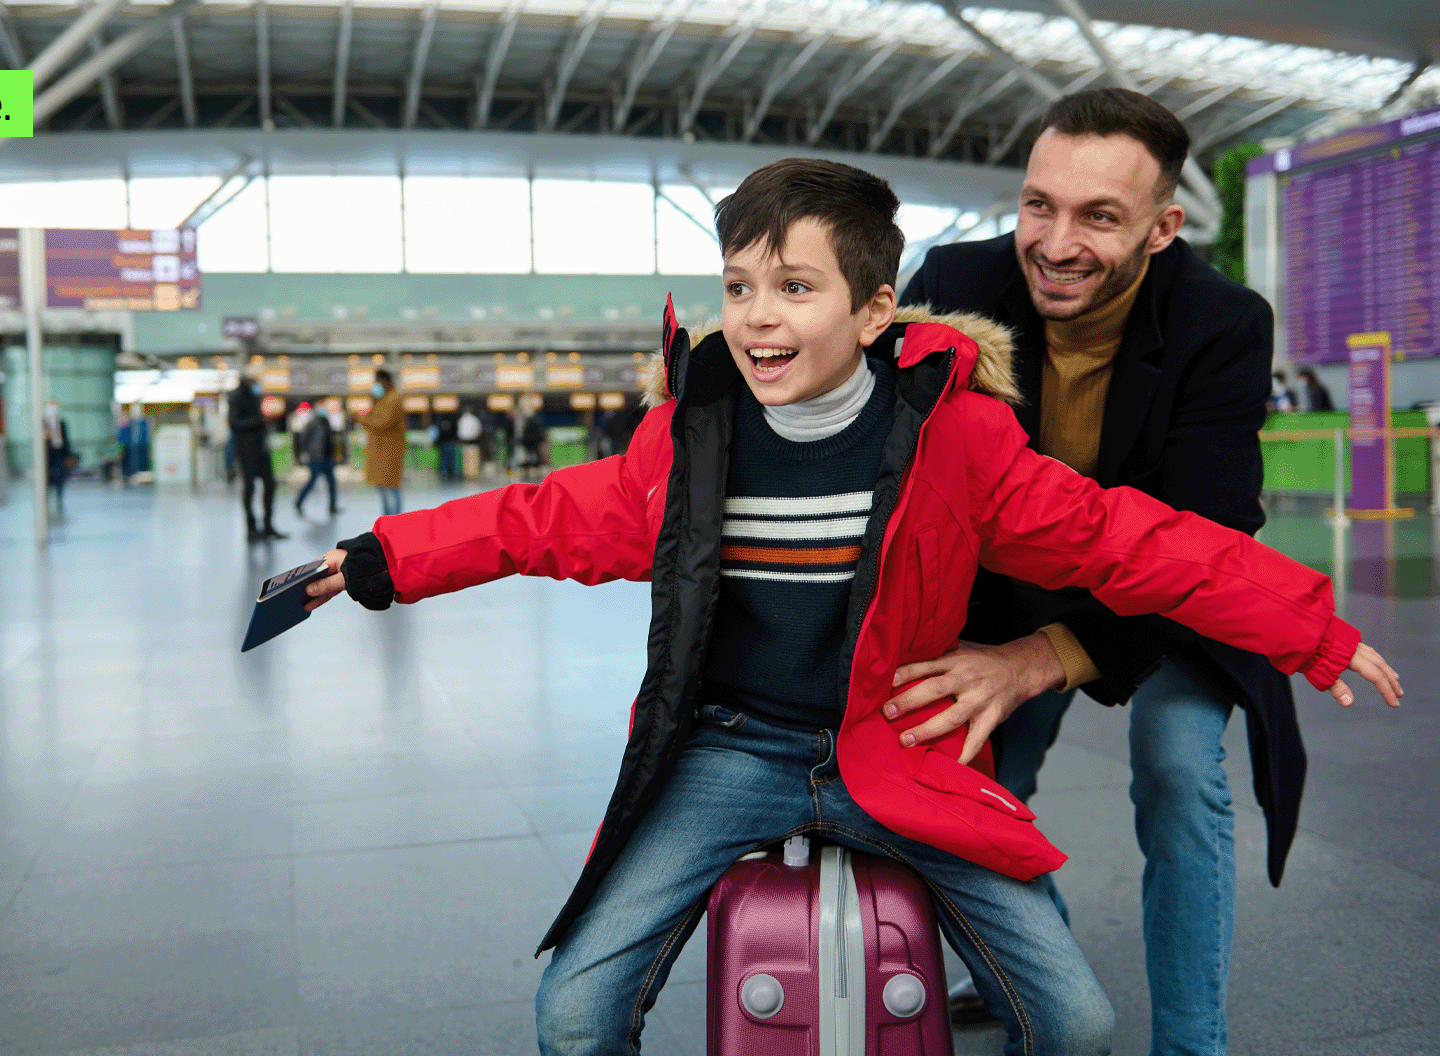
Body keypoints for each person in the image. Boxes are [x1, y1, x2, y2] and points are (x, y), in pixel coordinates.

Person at [300, 157, 1399, 1056]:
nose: (757, 319)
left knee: (1077, 1022)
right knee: (577, 1014)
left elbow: (1124, 538)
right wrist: (385, 555)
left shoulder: (958, 443)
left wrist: (1308, 628)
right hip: (726, 750)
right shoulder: (687, 445)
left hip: (894, 745)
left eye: (794, 287)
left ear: (876, 310)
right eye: (738, 288)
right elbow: (541, 517)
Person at [894, 88, 1309, 1053]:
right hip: (1006, 590)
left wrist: (1045, 658)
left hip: (1171, 592)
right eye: (1040, 204)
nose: (1055, 241)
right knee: (967, 765)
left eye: (1100, 216)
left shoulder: (1222, 323)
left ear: (1164, 227)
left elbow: (1205, 533)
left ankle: (1190, 1042)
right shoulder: (955, 281)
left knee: (1177, 772)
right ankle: (1040, 977)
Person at [227, 375, 283, 541]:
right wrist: (260, 421)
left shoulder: (255, 397)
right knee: (249, 487)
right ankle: (251, 528)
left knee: (270, 484)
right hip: (246, 449)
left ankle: (268, 526)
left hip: (260, 448)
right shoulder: (236, 398)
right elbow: (234, 423)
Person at [359, 369, 405, 515]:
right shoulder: (383, 399)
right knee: (384, 489)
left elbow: (381, 423)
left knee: (391, 488)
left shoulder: (394, 399)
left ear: (384, 381)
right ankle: (387, 520)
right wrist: (374, 402)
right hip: (380, 452)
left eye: (377, 381)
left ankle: (395, 521)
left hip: (389, 452)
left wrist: (360, 418)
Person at [294, 400, 340, 517]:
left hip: (327, 457)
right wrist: (303, 453)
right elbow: (303, 439)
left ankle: (333, 506)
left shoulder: (327, 422)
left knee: (332, 483)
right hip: (316, 458)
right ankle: (298, 502)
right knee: (312, 482)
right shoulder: (313, 423)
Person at [44, 399, 73, 517]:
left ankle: (59, 496)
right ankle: (46, 497)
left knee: (61, 475)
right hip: (48, 453)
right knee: (48, 476)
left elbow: (66, 439)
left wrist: (68, 454)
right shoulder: (43, 422)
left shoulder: (62, 422)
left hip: (59, 452)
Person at [435, 409, 462, 481]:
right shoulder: (453, 419)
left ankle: (444, 473)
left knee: (444, 458)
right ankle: (454, 473)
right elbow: (456, 431)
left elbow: (439, 432)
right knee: (452, 458)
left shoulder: (440, 420)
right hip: (451, 442)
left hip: (443, 443)